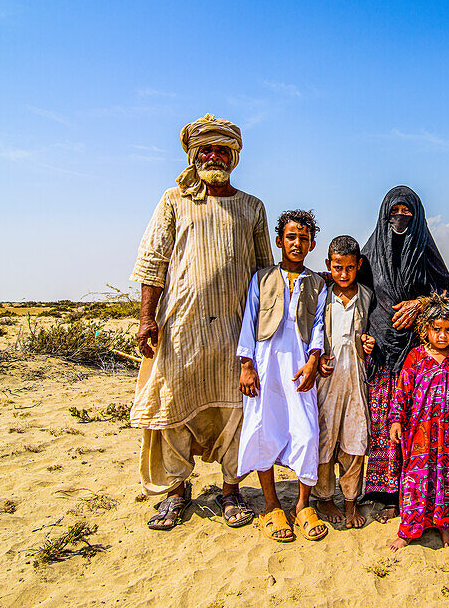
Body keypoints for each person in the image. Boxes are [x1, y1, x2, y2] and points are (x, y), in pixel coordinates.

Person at [131, 115, 271, 531]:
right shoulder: (174, 200)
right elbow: (153, 262)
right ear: (194, 155)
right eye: (206, 150)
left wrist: (265, 333)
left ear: (234, 156)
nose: (214, 156)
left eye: (222, 150)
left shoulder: (252, 207)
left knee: (234, 411)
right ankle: (176, 493)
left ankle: (231, 491)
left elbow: (265, 273)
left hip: (234, 332)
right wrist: (146, 319)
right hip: (181, 329)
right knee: (174, 409)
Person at [359, 186, 449, 523]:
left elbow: (447, 294)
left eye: (408, 213)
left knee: (414, 419)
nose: (401, 218)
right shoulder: (370, 255)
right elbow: (358, 298)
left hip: (418, 355)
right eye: (394, 212)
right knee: (382, 422)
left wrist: (421, 304)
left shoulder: (425, 253)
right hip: (380, 351)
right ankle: (382, 491)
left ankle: (413, 492)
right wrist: (365, 335)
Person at [236, 210, 329, 542]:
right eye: (291, 237)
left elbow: (319, 324)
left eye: (304, 238)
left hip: (300, 364)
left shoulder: (318, 283)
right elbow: (249, 320)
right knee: (265, 427)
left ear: (312, 244)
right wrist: (246, 365)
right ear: (279, 241)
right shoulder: (261, 278)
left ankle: (303, 505)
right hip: (265, 363)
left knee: (306, 432)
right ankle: (272, 506)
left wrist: (314, 360)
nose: (297, 243)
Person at [387, 293, 449, 551]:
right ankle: (409, 529)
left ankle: (444, 526)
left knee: (446, 478)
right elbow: (401, 392)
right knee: (416, 479)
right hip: (419, 433)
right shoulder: (415, 357)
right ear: (426, 329)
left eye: (448, 330)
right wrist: (396, 421)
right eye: (437, 329)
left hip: (448, 435)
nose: (442, 335)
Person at [311, 235, 376, 529]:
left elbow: (371, 330)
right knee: (325, 439)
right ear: (328, 265)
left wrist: (370, 344)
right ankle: (324, 497)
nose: (344, 274)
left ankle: (351, 501)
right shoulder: (321, 296)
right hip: (327, 380)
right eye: (338, 268)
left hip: (356, 379)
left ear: (358, 266)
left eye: (350, 268)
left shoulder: (366, 295)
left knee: (354, 438)